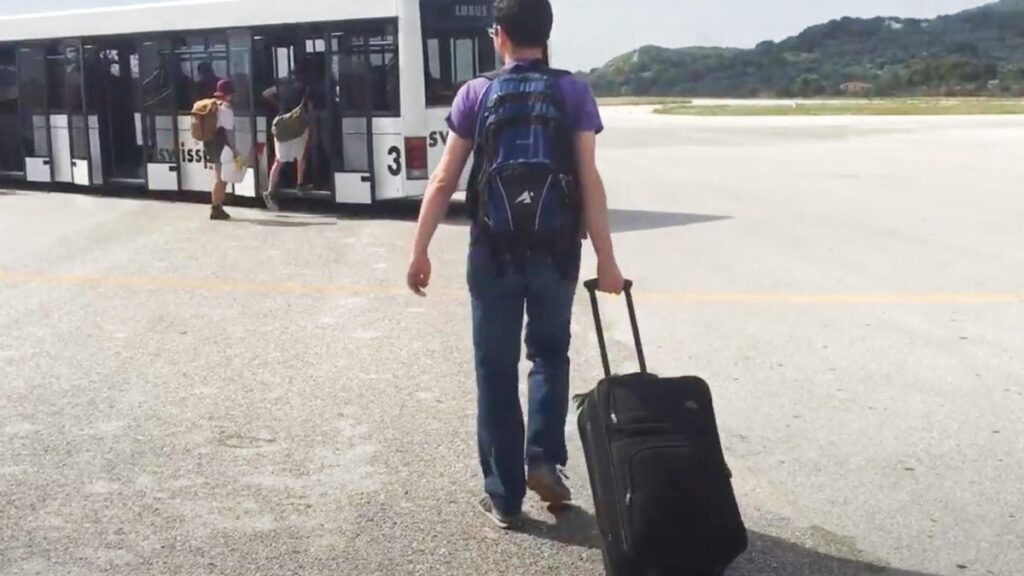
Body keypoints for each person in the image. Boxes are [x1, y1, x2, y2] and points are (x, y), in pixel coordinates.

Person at [406, 0, 625, 529]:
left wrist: (420, 250)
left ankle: (504, 498)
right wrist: (607, 260)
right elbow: (589, 181)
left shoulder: (476, 94)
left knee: (495, 371)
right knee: (549, 356)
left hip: (491, 252)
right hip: (555, 250)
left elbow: (443, 180)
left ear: (497, 35)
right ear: (546, 37)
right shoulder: (572, 91)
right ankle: (543, 459)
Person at [261, 68, 314, 210]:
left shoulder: (281, 85)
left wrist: (278, 104)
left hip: (281, 124)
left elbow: (265, 94)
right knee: (301, 157)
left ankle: (270, 190)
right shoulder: (304, 88)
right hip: (297, 125)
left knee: (279, 160)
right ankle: (300, 184)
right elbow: (309, 108)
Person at [206, 79, 236, 221]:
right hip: (222, 144)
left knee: (219, 176)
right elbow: (229, 132)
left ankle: (217, 206)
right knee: (221, 178)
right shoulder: (226, 109)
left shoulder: (212, 105)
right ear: (228, 94)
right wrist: (234, 149)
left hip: (211, 143)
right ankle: (216, 208)